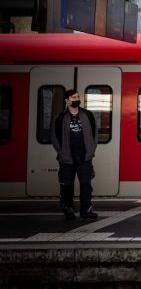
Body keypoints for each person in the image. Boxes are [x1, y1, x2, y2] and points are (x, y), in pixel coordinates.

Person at [50, 90, 98, 220]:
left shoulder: (87, 115)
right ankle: (68, 209)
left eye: (78, 97)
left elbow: (95, 134)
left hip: (84, 157)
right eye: (73, 97)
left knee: (86, 184)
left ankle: (86, 210)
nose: (77, 99)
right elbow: (54, 137)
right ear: (67, 100)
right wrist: (61, 152)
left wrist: (91, 150)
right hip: (67, 157)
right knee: (67, 185)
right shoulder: (60, 118)